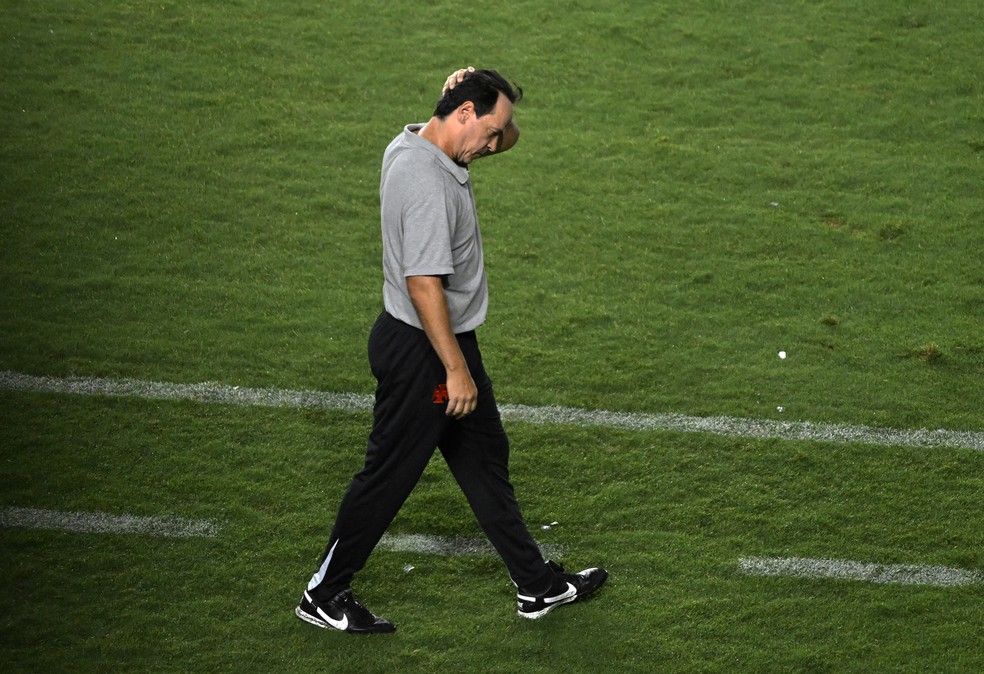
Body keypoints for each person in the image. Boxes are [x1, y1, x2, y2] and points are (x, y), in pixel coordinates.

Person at [295, 68, 607, 634]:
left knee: (485, 459)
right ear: (464, 113)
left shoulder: (422, 141)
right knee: (388, 474)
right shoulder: (426, 183)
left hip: (439, 341)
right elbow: (423, 284)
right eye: (490, 131)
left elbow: (506, 137)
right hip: (424, 352)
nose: (496, 145)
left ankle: (536, 586)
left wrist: (490, 115)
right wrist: (455, 369)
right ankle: (325, 591)